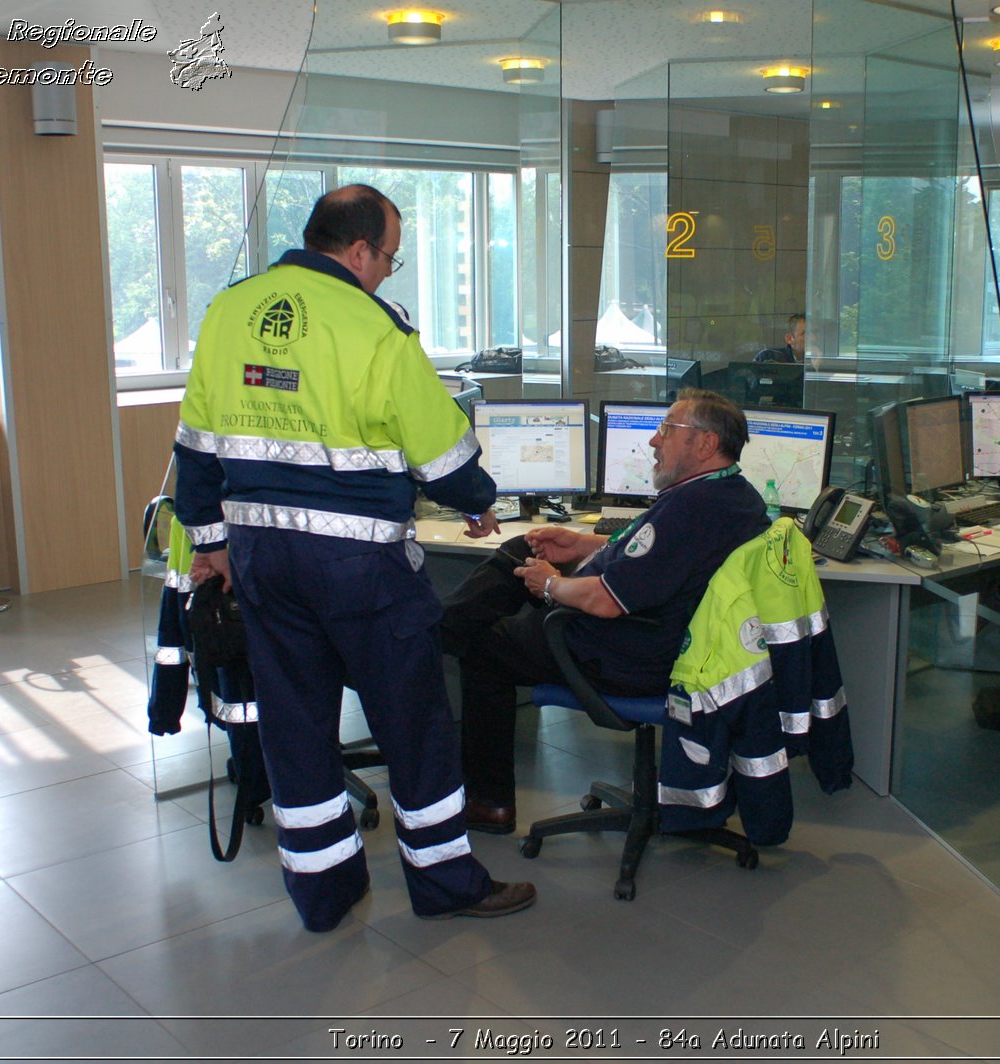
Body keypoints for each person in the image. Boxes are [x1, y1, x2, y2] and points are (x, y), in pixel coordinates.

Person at [173, 185, 535, 932]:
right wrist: (479, 500)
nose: (387, 273)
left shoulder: (229, 312)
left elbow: (196, 448)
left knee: (296, 723)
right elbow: (439, 449)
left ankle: (323, 892)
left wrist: (211, 546)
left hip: (263, 559)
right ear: (361, 250)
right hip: (361, 565)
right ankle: (443, 883)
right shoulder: (376, 330)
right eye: (391, 259)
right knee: (413, 720)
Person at [440, 389, 771, 831]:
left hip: (623, 651)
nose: (654, 441)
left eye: (667, 430)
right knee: (523, 547)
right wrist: (580, 545)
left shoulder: (691, 508)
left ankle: (490, 802)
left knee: (484, 646)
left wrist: (552, 585)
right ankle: (436, 631)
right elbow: (653, 554)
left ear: (706, 444)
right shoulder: (730, 494)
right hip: (654, 638)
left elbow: (607, 602)